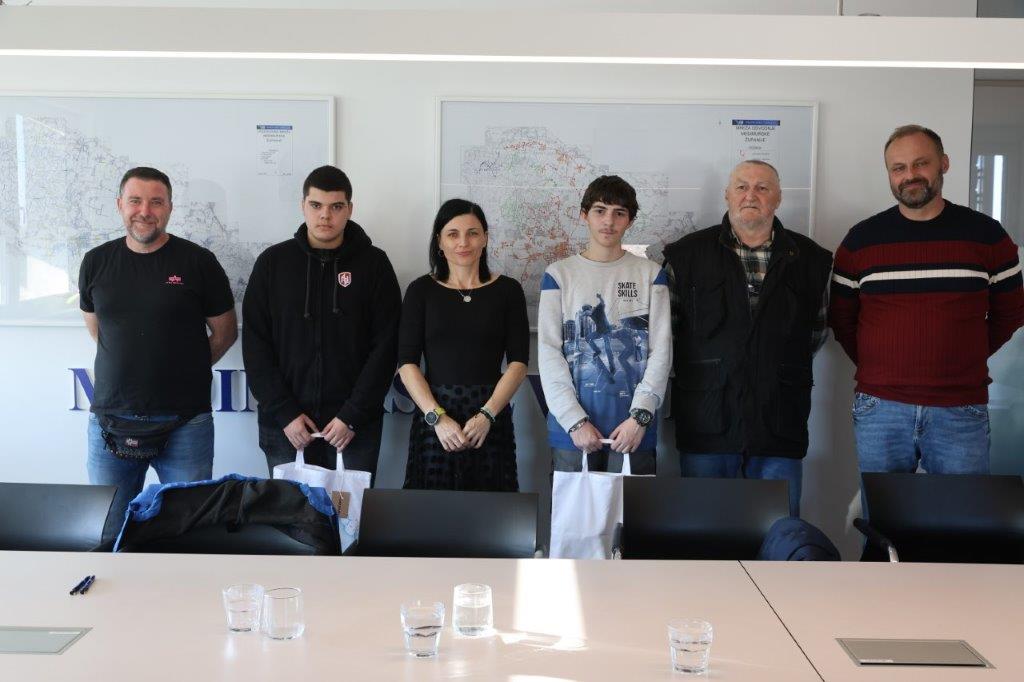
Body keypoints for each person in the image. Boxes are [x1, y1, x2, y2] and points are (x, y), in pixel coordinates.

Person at [830, 125, 1024, 474]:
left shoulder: (987, 236)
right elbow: (842, 319)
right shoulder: (861, 241)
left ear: (943, 163)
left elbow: (1010, 313)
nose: (910, 175)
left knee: (962, 508)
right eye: (898, 168)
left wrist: (965, 354)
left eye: (921, 163)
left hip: (960, 407)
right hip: (881, 408)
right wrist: (880, 364)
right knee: (883, 510)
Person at [662, 160, 832, 518]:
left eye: (762, 187)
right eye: (741, 186)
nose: (750, 195)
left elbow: (814, 334)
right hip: (706, 423)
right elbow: (668, 336)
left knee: (779, 536)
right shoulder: (686, 255)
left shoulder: (811, 260)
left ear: (778, 198)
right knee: (704, 534)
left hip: (778, 425)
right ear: (727, 195)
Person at [79, 166, 237, 542]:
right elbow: (98, 330)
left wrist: (182, 369)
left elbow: (226, 333)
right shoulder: (96, 262)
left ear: (169, 208)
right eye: (135, 201)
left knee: (187, 536)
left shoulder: (199, 262)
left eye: (156, 202)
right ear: (120, 204)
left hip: (186, 424)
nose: (145, 211)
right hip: (110, 422)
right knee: (107, 534)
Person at [243, 165, 401, 481]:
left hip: (354, 429)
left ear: (349, 209)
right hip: (286, 427)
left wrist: (352, 416)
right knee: (291, 510)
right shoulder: (273, 263)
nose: (325, 215)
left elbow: (387, 346)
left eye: (336, 207)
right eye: (316, 205)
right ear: (303, 205)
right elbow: (256, 344)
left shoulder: (375, 265)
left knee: (348, 512)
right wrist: (285, 413)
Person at [538, 175, 671, 475]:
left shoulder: (651, 274)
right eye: (600, 210)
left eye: (619, 213)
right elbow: (548, 352)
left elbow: (661, 351)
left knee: (634, 506)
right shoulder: (558, 275)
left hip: (634, 432)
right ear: (584, 215)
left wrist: (640, 418)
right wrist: (574, 420)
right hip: (572, 433)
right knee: (574, 506)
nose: (609, 221)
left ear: (630, 220)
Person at [397, 199, 529, 491]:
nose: (463, 242)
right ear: (439, 242)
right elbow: (406, 364)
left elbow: (519, 363)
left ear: (485, 238)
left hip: (490, 416)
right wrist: (437, 418)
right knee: (431, 509)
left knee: (493, 509)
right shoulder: (421, 291)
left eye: (472, 233)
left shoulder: (508, 290)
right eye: (453, 234)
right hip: (435, 417)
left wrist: (487, 415)